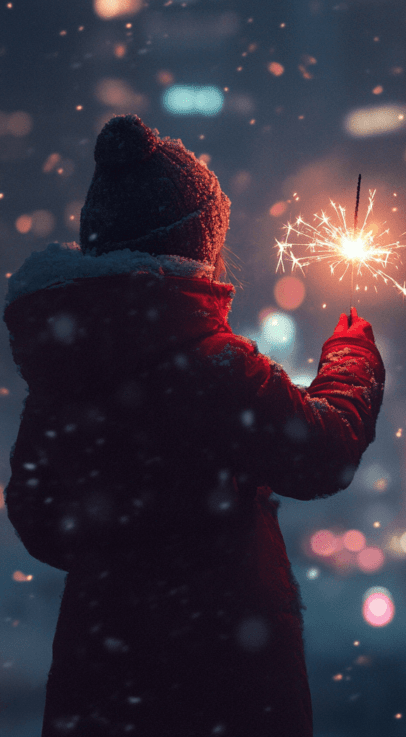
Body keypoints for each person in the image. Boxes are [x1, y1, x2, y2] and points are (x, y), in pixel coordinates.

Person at [4, 115, 385, 737]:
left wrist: (127, 540)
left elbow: (41, 521)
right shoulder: (213, 369)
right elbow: (325, 451)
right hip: (222, 680)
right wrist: (352, 356)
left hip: (100, 676)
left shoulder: (66, 378)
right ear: (196, 244)